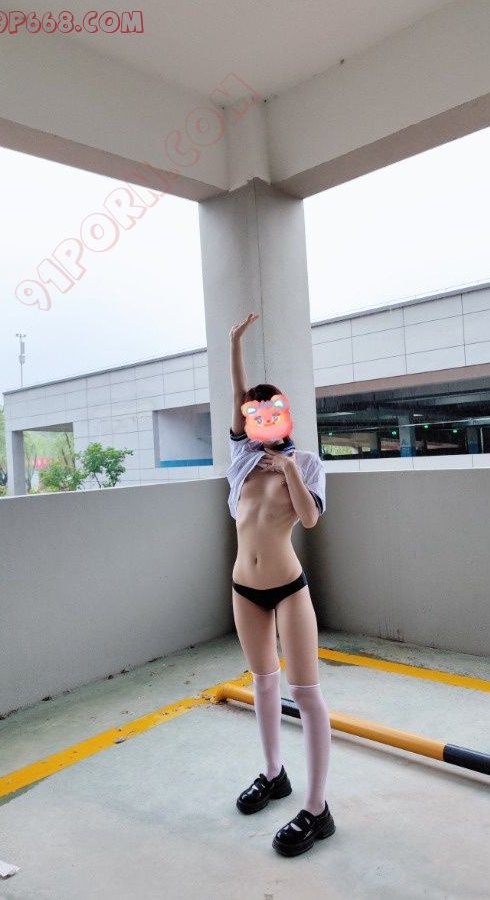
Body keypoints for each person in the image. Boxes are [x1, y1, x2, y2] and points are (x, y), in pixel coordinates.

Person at [227, 312, 335, 857]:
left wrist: (288, 466)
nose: (261, 416)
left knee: (306, 693)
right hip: (243, 587)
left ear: (285, 416)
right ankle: (274, 774)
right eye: (255, 411)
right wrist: (234, 343)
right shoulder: (242, 459)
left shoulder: (307, 463)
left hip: (289, 588)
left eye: (271, 410)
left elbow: (309, 520)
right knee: (263, 683)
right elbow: (238, 394)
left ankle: (317, 809)